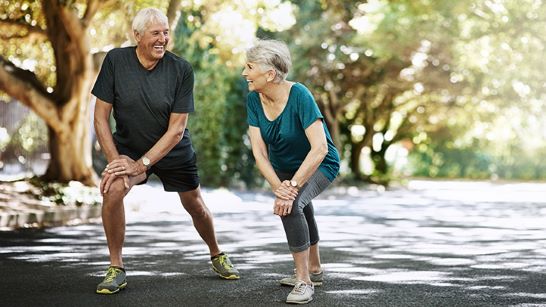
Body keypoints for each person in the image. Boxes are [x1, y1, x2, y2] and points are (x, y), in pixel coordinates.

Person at [91, 8, 239, 295]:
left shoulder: (181, 69)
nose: (163, 39)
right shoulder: (115, 61)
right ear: (137, 36)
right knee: (112, 189)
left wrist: (143, 164)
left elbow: (177, 130)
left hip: (172, 150)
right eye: (156, 33)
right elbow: (100, 117)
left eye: (166, 32)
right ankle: (116, 267)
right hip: (129, 148)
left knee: (195, 204)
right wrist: (115, 161)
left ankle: (216, 253)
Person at [242, 39, 340, 304]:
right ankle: (315, 270)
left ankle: (304, 281)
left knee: (292, 204)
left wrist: (290, 189)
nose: (244, 73)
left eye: (249, 67)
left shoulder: (300, 95)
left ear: (270, 73)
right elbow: (259, 153)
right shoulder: (254, 99)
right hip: (285, 169)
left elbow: (319, 149)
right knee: (299, 204)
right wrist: (278, 186)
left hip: (320, 163)